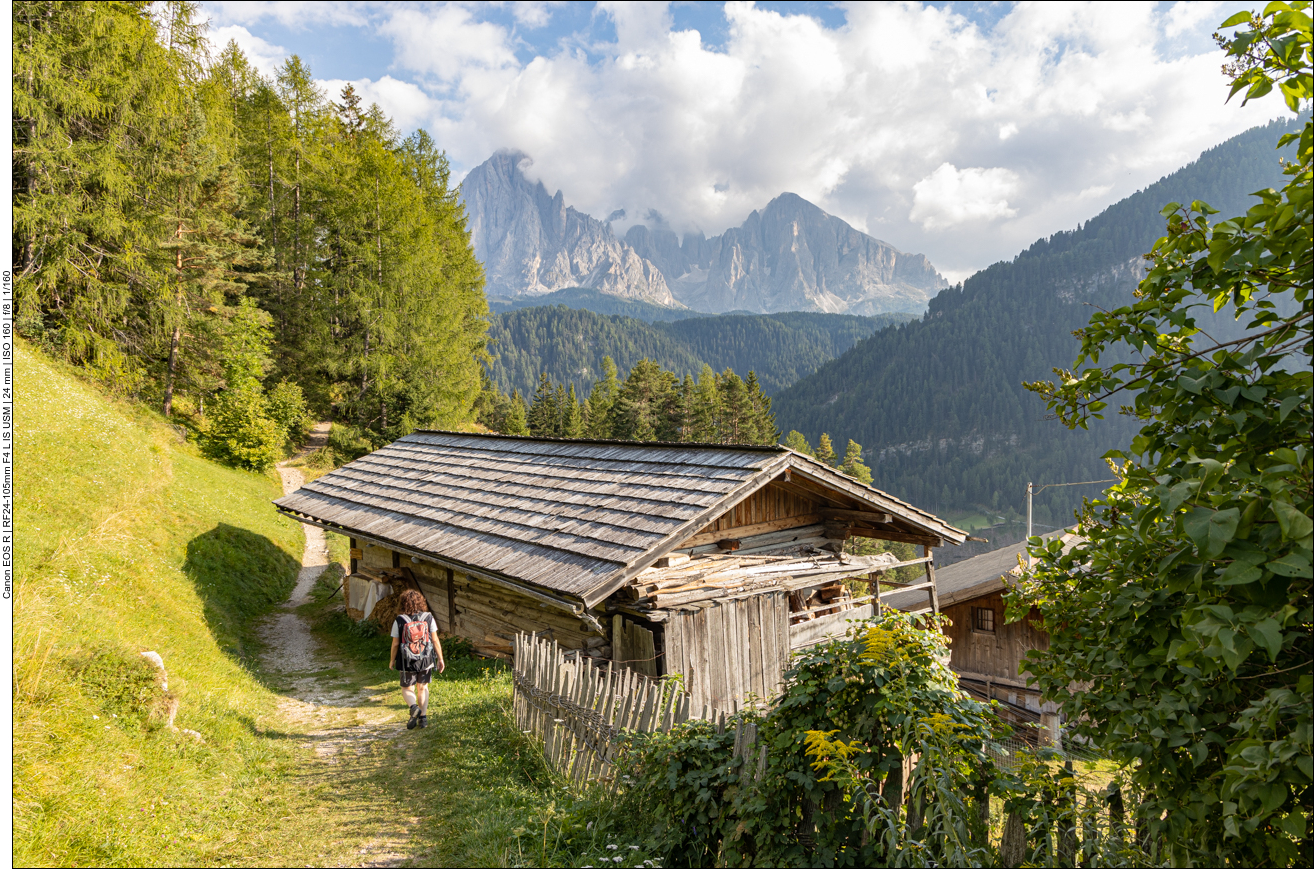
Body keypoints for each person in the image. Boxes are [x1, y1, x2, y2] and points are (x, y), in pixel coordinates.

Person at [389, 589, 444, 729]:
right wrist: (440, 659)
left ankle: (413, 707)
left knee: (407, 688)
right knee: (423, 687)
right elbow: (435, 640)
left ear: (402, 603)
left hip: (407, 660)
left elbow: (395, 643)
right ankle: (423, 718)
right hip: (425, 658)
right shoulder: (428, 617)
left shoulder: (400, 620)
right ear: (421, 602)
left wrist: (392, 660)